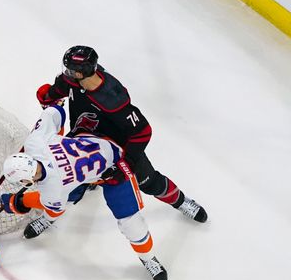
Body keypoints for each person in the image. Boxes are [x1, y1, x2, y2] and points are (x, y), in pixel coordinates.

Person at [32, 45, 207, 239]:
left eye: (71, 70)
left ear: (83, 72)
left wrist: (127, 163)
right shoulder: (71, 80)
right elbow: (59, 89)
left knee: (149, 182)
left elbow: (142, 132)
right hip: (83, 142)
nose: (67, 73)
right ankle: (49, 217)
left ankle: (181, 202)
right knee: (64, 184)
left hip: (118, 147)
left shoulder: (112, 97)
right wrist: (49, 98)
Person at [0, 105, 168, 280]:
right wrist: (55, 104)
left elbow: (55, 209)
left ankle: (148, 259)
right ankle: (148, 257)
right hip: (94, 143)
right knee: (71, 193)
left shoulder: (52, 191)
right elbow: (54, 113)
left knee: (131, 223)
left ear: (27, 180)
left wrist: (17, 203)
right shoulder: (34, 143)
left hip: (115, 169)